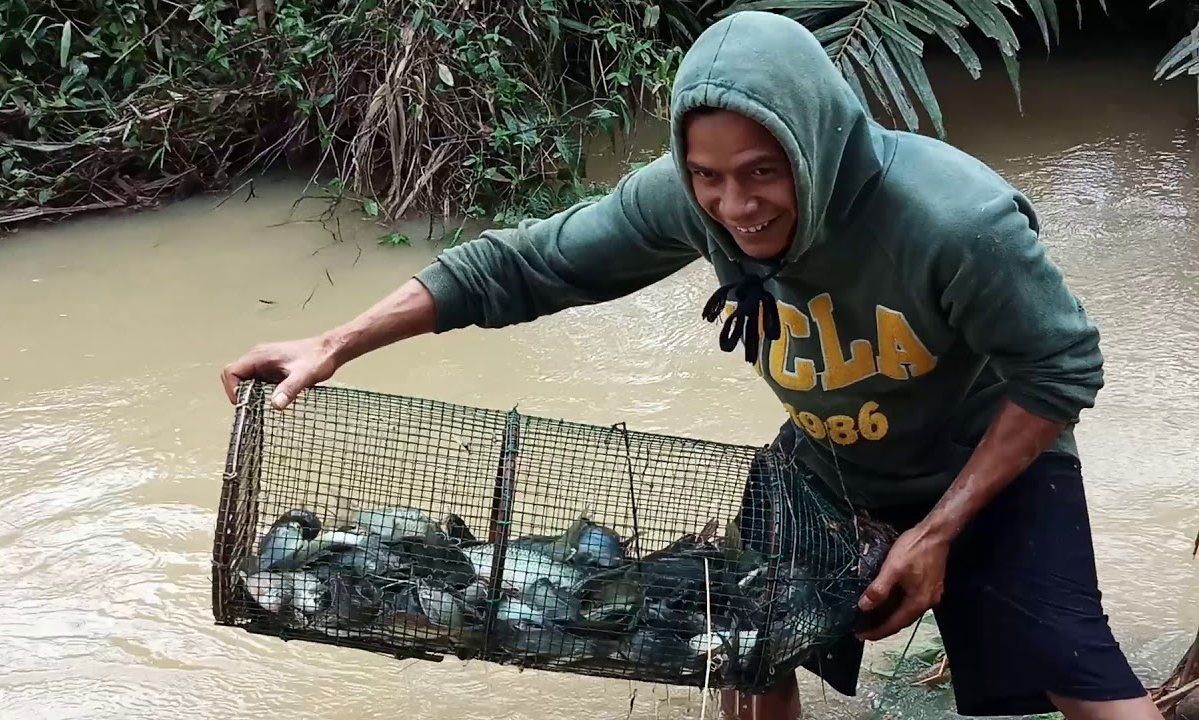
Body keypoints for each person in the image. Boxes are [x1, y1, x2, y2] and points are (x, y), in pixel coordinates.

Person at [221, 11, 1163, 720]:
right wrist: (338, 340)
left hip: (987, 466)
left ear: (814, 143)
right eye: (707, 176)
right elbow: (525, 263)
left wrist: (938, 532)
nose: (734, 205)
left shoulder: (957, 222)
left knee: (1073, 671)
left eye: (762, 170)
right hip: (828, 466)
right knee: (740, 650)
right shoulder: (688, 201)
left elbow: (1059, 376)